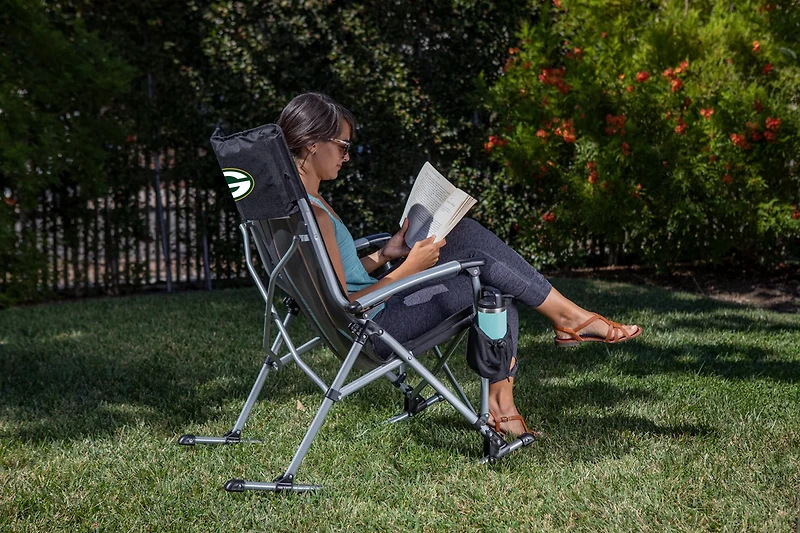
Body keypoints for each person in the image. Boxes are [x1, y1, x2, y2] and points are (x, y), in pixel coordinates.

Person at [277, 92, 641, 437]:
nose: (347, 155)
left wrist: (387, 255)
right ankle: (544, 353)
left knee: (477, 254)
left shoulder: (298, 208)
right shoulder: (315, 216)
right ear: (312, 143)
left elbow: (337, 278)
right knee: (489, 280)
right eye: (342, 145)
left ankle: (540, 357)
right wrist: (410, 268)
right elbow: (347, 304)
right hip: (376, 329)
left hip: (367, 321)